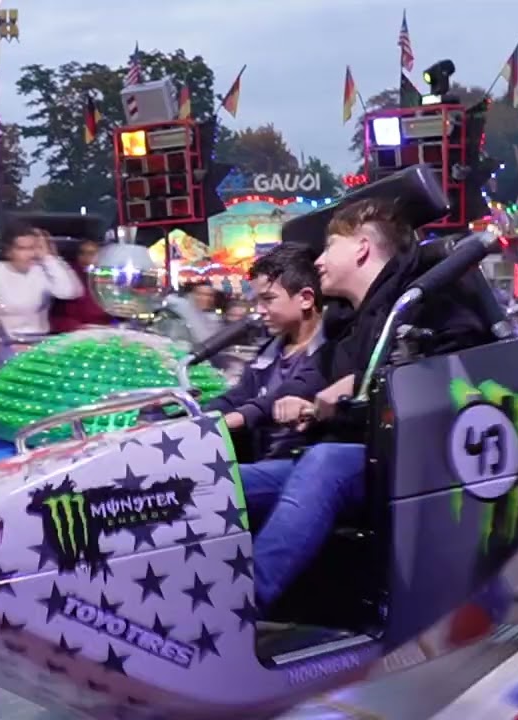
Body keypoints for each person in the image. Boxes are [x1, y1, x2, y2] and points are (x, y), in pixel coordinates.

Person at [240, 199, 490, 611]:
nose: (318, 261)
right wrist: (298, 406)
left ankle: (247, 603)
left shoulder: (426, 302)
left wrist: (358, 385)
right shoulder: (350, 327)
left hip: (410, 459)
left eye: (329, 246)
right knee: (227, 482)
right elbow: (309, 384)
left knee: (324, 462)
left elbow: (451, 372)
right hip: (353, 457)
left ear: (361, 248)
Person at [204, 244, 328, 461]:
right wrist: (195, 418)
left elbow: (289, 392)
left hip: (299, 462)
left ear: (306, 299)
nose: (259, 310)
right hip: (263, 460)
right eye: (257, 301)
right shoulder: (268, 354)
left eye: (268, 299)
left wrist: (240, 417)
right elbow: (237, 397)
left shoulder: (331, 351)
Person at [0, 224, 83, 337]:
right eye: (22, 249)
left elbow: (69, 292)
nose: (30, 254)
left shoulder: (43, 270)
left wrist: (47, 257)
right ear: (8, 251)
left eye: (34, 248)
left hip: (37, 339)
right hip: (2, 339)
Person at [48, 238, 113, 333]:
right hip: (72, 332)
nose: (86, 257)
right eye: (82, 253)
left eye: (91, 253)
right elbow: (55, 316)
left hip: (104, 332)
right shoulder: (68, 276)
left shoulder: (109, 278)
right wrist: (77, 327)